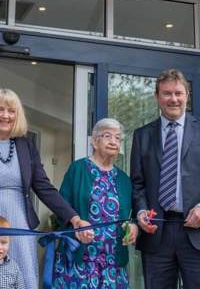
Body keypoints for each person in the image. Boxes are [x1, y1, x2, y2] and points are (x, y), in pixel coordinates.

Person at [0, 88, 93, 289]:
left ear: (18, 115)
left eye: (11, 111)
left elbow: (43, 187)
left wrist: (74, 218)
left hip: (18, 222)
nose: (5, 116)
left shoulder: (27, 146)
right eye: (0, 109)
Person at [131, 68, 200, 289]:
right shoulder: (142, 136)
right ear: (157, 97)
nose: (173, 99)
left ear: (187, 96)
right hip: (157, 233)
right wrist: (141, 212)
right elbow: (138, 183)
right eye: (167, 93)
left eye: (178, 93)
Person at [53, 118, 138, 288]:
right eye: (108, 136)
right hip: (79, 259)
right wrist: (75, 224)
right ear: (94, 141)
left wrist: (133, 226)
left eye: (118, 138)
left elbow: (132, 214)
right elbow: (60, 207)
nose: (114, 141)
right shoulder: (78, 169)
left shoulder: (124, 179)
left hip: (113, 263)